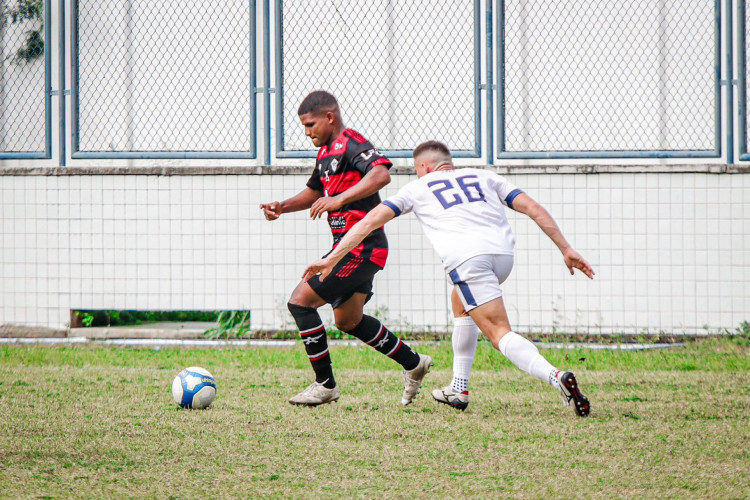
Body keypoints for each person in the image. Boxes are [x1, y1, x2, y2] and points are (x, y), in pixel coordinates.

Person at [302, 140, 595, 416]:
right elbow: (533, 208)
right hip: (502, 257)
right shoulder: (485, 176)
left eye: (418, 169)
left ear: (425, 168)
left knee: (498, 332)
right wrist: (566, 248)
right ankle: (458, 388)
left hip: (468, 260)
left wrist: (331, 258)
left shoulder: (417, 188)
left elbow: (368, 222)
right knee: (461, 302)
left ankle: (557, 378)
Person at [259, 91, 432, 407]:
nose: (307, 131)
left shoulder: (352, 142)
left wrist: (339, 200)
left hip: (362, 248)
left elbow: (380, 174)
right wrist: (281, 207)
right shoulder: (324, 153)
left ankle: (324, 384)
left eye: (310, 124)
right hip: (347, 247)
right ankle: (413, 362)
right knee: (348, 321)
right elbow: (315, 192)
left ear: (329, 117)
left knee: (300, 302)